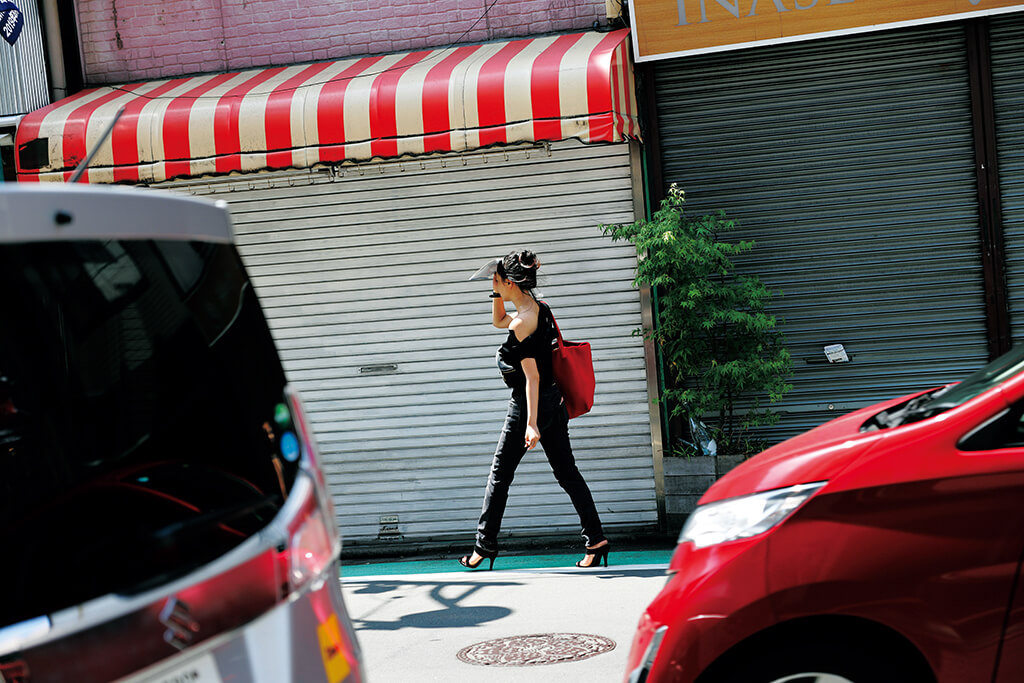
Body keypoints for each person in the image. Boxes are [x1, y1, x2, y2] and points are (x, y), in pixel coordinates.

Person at [460, 249, 610, 570]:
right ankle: (596, 540)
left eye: (498, 280)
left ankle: (484, 546)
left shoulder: (523, 324)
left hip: (531, 404)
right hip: (553, 401)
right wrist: (495, 289)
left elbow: (532, 377)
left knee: (499, 475)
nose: (495, 284)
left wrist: (530, 424)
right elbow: (498, 319)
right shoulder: (537, 308)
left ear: (511, 283)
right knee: (567, 473)